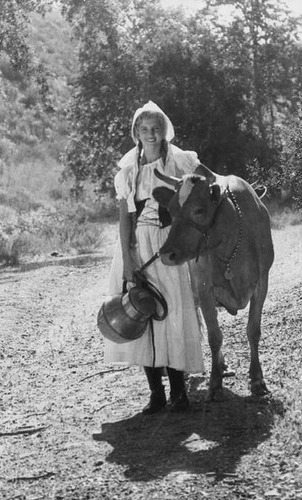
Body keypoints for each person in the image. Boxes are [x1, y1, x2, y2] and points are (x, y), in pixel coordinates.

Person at [104, 101, 204, 414]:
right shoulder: (128, 170)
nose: (151, 134)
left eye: (156, 128)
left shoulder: (180, 160)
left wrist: (188, 193)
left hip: (169, 244)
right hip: (137, 248)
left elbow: (207, 183)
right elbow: (124, 219)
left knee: (172, 313)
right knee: (141, 314)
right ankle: (155, 394)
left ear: (164, 131)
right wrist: (129, 262)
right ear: (136, 132)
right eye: (144, 129)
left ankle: (179, 392)